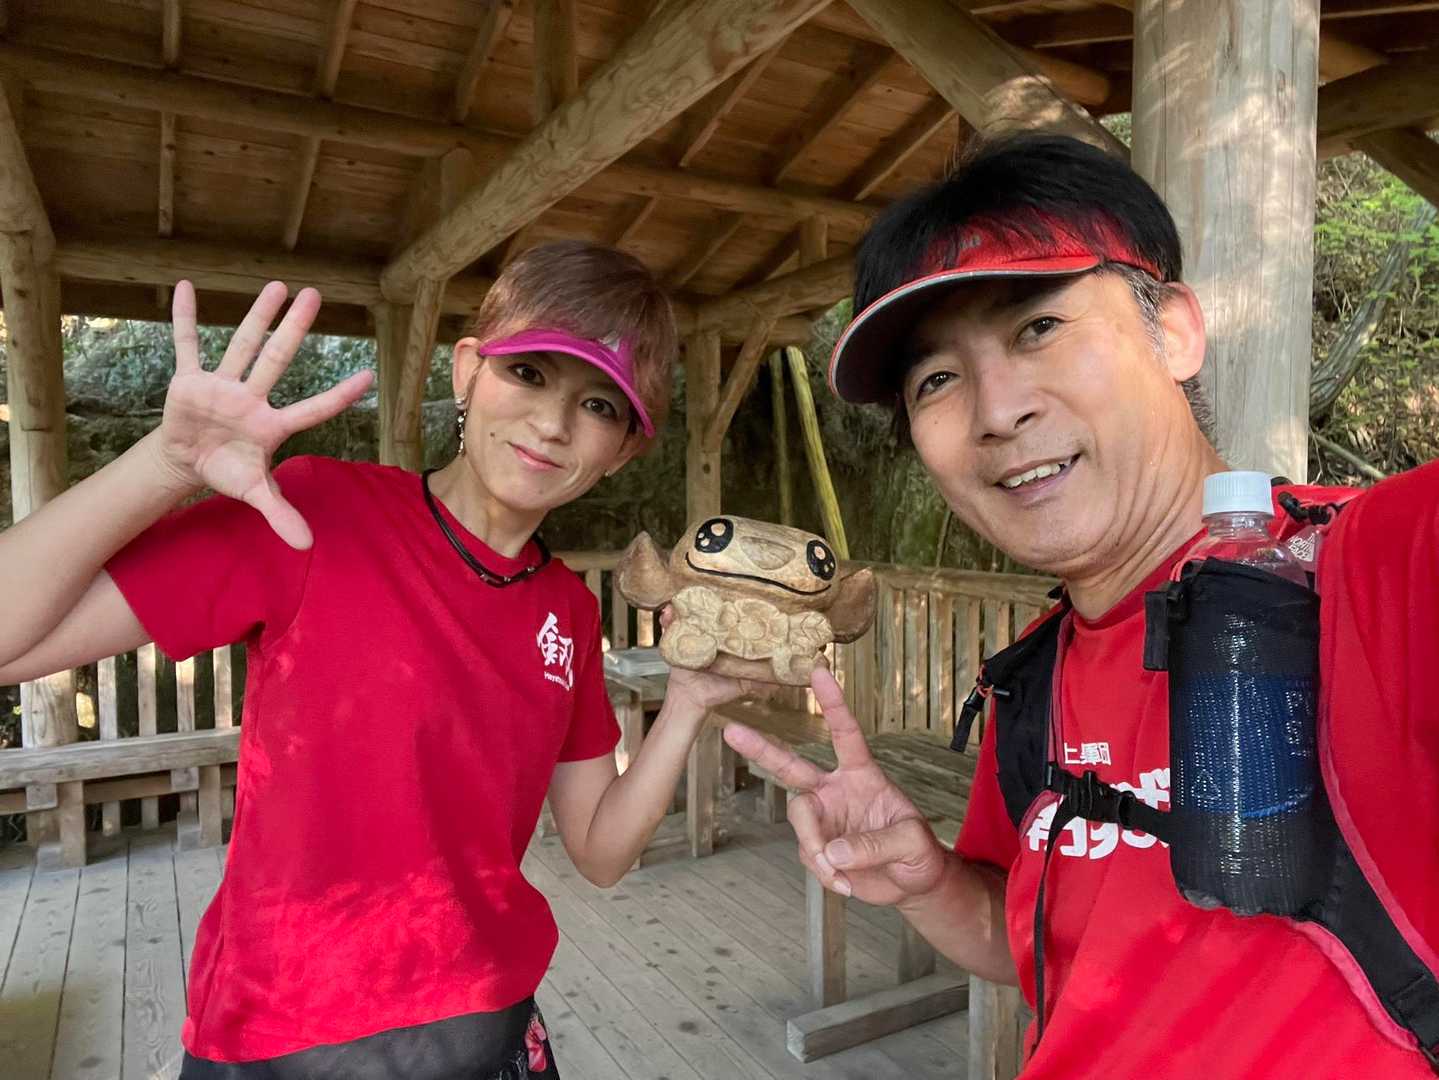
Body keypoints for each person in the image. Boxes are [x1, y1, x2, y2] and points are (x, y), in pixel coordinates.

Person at [723, 135, 1439, 1078]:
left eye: (1038, 327)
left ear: (1171, 331)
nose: (995, 410)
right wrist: (929, 883)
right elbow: (1033, 939)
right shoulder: (1035, 672)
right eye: (936, 379)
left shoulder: (1371, 567)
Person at [0, 241, 751, 1078]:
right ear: (467, 371)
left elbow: (601, 853)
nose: (552, 423)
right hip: (283, 1036)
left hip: (486, 1036)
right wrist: (164, 466)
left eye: (599, 405)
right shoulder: (318, 511)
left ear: (623, 450)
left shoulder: (565, 611)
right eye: (528, 373)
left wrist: (689, 701)